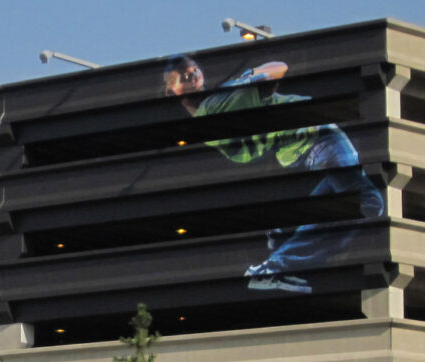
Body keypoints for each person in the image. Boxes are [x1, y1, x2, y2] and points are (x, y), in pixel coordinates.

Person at [163, 56, 384, 293]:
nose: (194, 75)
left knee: (342, 208)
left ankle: (283, 237)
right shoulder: (216, 108)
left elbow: (277, 69)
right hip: (316, 137)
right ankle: (276, 263)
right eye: (185, 76)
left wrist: (251, 76)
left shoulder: (219, 101)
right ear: (170, 91)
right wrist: (252, 78)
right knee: (367, 202)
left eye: (195, 70)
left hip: (308, 143)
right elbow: (275, 73)